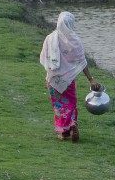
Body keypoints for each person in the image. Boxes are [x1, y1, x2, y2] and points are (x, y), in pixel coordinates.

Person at [39, 11, 101, 142]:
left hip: (53, 79)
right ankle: (72, 123)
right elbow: (82, 61)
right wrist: (91, 79)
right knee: (70, 103)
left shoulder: (50, 38)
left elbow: (45, 57)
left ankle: (63, 132)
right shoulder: (75, 41)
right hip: (68, 80)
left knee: (58, 105)